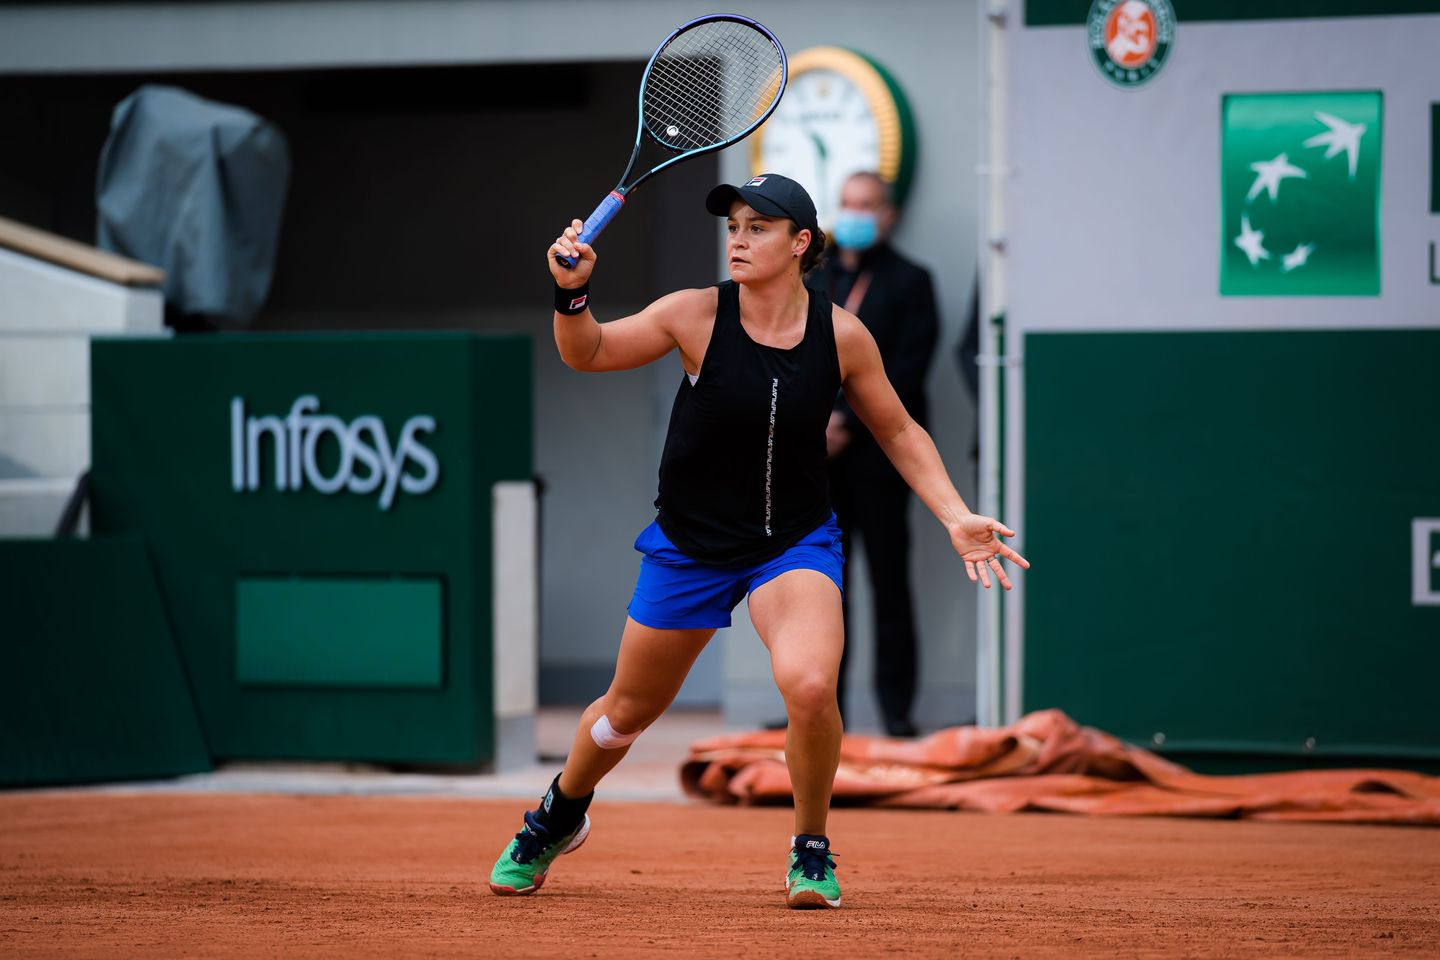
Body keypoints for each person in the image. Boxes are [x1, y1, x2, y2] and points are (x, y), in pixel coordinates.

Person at [487, 173, 1027, 910]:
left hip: (793, 543)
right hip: (690, 546)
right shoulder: (695, 313)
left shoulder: (843, 335)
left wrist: (954, 514)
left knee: (809, 686)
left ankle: (811, 848)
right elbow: (590, 352)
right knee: (622, 715)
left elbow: (897, 429)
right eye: (734, 225)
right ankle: (559, 812)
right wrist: (572, 294)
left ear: (801, 244)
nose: (738, 238)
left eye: (759, 227)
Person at [806, 171, 939, 738]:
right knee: (821, 591)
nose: (855, 213)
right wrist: (816, 426)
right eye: (847, 204)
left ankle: (896, 712)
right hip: (815, 464)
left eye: (866, 205)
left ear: (888, 214)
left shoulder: (911, 281)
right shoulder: (812, 277)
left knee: (889, 585)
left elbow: (907, 371)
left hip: (879, 463)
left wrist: (844, 422)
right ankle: (819, 712)